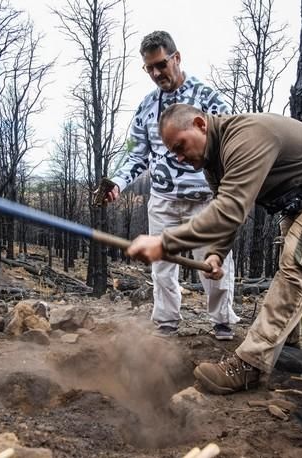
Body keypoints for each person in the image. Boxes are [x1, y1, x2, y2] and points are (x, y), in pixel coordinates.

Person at [126, 103, 302, 395]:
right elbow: (225, 208)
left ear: (200, 124)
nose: (180, 157)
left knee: (298, 267)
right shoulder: (214, 160)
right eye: (173, 152)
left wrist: (165, 242)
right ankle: (286, 345)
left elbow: (230, 210)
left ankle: (250, 363)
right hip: (295, 197)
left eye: (180, 146)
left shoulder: (246, 136)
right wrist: (216, 254)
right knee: (294, 266)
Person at [104, 31, 239, 339]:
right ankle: (166, 322)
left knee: (213, 262)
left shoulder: (208, 99)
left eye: (161, 65)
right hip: (163, 199)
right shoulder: (146, 107)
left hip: (205, 199)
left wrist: (227, 190)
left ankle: (222, 323)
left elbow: (227, 145)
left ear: (176, 58)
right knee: (161, 264)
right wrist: (118, 182)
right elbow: (136, 154)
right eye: (148, 68)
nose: (155, 73)